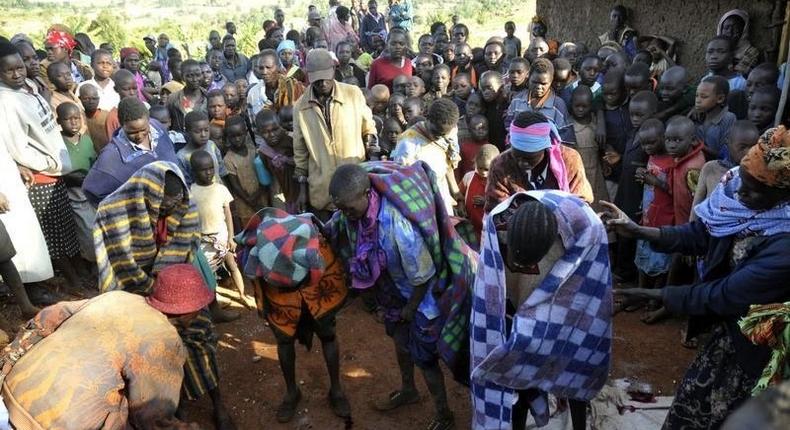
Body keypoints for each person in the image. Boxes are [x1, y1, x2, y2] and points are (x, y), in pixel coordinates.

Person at [602, 124, 790, 429]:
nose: (740, 194)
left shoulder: (783, 244)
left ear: (783, 195)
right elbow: (700, 234)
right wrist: (638, 230)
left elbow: (724, 294)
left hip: (760, 353)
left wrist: (652, 295)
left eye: (753, 191)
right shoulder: (739, 199)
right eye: (743, 182)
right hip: (728, 335)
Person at [326, 162, 476, 430]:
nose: (344, 214)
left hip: (421, 298)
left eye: (348, 208)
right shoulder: (354, 216)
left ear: (365, 194)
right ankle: (409, 390)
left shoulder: (396, 224)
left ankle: (444, 414)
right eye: (340, 208)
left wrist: (411, 308)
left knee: (425, 358)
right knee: (399, 341)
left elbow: (423, 274)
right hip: (393, 292)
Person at [94, 161, 238, 428]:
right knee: (155, 351)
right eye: (166, 206)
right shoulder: (112, 211)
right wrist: (152, 295)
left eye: (176, 203)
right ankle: (176, 406)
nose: (173, 210)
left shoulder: (184, 203)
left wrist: (168, 292)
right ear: (149, 198)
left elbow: (179, 253)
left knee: (200, 334)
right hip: (134, 291)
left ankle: (218, 403)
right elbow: (123, 265)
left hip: (176, 285)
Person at [0, 265, 215, 429]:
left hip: (10, 391)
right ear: (189, 312)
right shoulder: (166, 341)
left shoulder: (117, 297)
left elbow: (50, 316)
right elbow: (151, 417)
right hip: (51, 423)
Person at [470, 190, 612, 430]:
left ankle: (579, 425)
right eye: (514, 258)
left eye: (526, 261)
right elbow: (492, 283)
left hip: (564, 308)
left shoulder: (582, 230)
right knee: (517, 376)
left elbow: (584, 289)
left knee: (573, 365)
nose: (515, 264)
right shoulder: (497, 227)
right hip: (516, 305)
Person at [236, 207, 351, 423]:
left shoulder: (319, 250)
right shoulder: (261, 258)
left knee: (327, 333)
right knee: (283, 339)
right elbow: (261, 292)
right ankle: (292, 392)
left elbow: (334, 280)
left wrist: (309, 283)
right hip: (280, 298)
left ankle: (336, 390)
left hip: (317, 292)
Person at [0, 41, 83, 292]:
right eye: (9, 70)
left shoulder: (29, 88)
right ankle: (71, 283)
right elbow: (16, 146)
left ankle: (72, 278)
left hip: (55, 171)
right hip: (41, 176)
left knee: (66, 231)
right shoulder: (6, 100)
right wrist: (47, 164)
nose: (18, 73)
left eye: (20, 67)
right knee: (53, 237)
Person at [293, 48, 377, 219]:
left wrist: (372, 158)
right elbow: (300, 151)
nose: (322, 84)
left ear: (333, 71)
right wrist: (302, 191)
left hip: (356, 184)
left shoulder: (352, 94)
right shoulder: (301, 107)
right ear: (309, 77)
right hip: (322, 189)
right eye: (317, 81)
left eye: (326, 78)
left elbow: (368, 128)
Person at [485, 111, 593, 212]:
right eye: (517, 156)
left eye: (529, 158)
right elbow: (496, 209)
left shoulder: (569, 160)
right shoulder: (500, 165)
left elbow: (581, 203)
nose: (522, 163)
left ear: (545, 148)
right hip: (518, 229)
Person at [83, 97, 179, 204]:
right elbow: (91, 191)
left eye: (143, 129)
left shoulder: (157, 127)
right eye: (132, 132)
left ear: (148, 120)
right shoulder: (111, 156)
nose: (139, 136)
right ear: (121, 124)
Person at [189, 150, 249, 307]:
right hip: (204, 241)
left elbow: (228, 215)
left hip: (222, 237)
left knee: (233, 266)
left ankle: (242, 295)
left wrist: (231, 237)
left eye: (211, 168)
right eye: (203, 169)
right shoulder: (191, 192)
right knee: (208, 274)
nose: (209, 172)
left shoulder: (221, 189)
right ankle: (214, 302)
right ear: (194, 172)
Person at [631, 119, 673, 321]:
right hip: (647, 216)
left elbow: (676, 191)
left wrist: (654, 181)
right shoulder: (652, 157)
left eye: (651, 143)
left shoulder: (673, 161)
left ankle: (654, 299)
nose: (647, 148)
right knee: (642, 257)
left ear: (664, 138)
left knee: (661, 261)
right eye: (644, 144)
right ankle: (640, 293)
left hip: (664, 220)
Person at [391, 98, 463, 216]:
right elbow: (402, 182)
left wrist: (455, 192)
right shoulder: (408, 144)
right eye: (435, 132)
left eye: (442, 134)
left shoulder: (450, 130)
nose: (438, 138)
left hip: (442, 194)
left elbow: (448, 163)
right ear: (427, 118)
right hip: (419, 202)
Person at [691, 120, 759, 221]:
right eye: (743, 147)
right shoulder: (711, 169)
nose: (748, 152)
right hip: (709, 231)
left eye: (753, 147)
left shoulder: (760, 176)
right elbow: (696, 211)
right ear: (728, 143)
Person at [57, 102, 97, 264]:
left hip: (89, 191)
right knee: (85, 231)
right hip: (71, 193)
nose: (73, 123)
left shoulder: (86, 140)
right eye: (68, 119)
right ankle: (90, 262)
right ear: (59, 121)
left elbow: (94, 163)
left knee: (93, 227)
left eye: (76, 118)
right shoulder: (57, 142)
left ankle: (95, 260)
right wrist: (68, 178)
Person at [560, 85, 609, 210]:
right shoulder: (569, 125)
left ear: (591, 106)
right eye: (577, 106)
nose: (580, 109)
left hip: (596, 174)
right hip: (578, 175)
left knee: (598, 207)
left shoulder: (596, 123)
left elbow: (602, 147)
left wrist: (604, 162)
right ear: (571, 104)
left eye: (584, 106)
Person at [223, 115, 268, 223]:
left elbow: (263, 175)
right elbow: (235, 186)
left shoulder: (254, 150)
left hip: (262, 198)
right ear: (228, 137)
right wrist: (251, 201)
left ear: (246, 132)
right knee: (250, 232)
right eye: (233, 136)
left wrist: (259, 193)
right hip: (244, 204)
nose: (237, 139)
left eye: (240, 135)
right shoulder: (228, 159)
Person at [255, 109, 299, 212]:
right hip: (282, 192)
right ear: (259, 133)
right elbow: (268, 175)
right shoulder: (263, 151)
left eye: (275, 129)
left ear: (280, 126)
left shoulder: (291, 140)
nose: (272, 135)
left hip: (301, 187)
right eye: (266, 132)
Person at [506, 58, 568, 130]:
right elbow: (508, 123)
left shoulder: (557, 105)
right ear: (529, 78)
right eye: (535, 82)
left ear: (551, 81)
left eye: (543, 84)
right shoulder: (517, 100)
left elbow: (565, 134)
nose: (539, 87)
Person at [692, 75, 737, 161]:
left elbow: (726, 155)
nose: (698, 100)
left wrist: (700, 146)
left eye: (704, 97)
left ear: (720, 98)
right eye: (697, 96)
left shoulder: (728, 118)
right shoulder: (697, 116)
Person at [460, 144, 499, 239]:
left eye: (487, 169)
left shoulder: (498, 182)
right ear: (475, 162)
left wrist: (486, 202)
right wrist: (461, 205)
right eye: (480, 168)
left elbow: (504, 203)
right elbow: (460, 194)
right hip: (470, 226)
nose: (483, 172)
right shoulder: (469, 177)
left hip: (488, 230)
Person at [177, 110, 228, 185]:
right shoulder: (182, 157)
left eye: (206, 130)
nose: (203, 135)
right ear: (187, 131)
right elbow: (186, 184)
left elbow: (221, 172)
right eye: (198, 132)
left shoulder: (211, 145)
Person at [167, 60, 208, 132]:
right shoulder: (173, 99)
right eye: (189, 76)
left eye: (198, 75)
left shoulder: (208, 97)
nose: (195, 79)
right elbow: (167, 122)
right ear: (183, 77)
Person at [718, 9, 761, 76]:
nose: (730, 31)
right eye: (726, 28)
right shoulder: (715, 48)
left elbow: (738, 75)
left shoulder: (751, 51)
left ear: (743, 30)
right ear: (720, 29)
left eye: (735, 27)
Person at [47, 61, 87, 131]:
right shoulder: (53, 101)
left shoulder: (73, 94)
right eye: (60, 76)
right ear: (51, 80)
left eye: (68, 74)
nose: (67, 78)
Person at [478, 71, 509, 150]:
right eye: (483, 89)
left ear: (501, 87)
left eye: (489, 88)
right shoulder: (485, 104)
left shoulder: (509, 105)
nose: (485, 92)